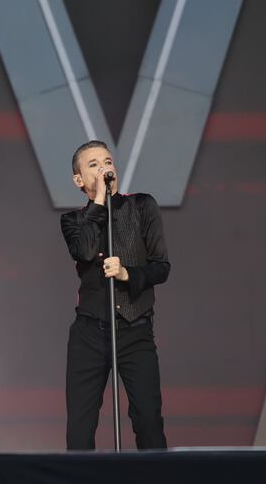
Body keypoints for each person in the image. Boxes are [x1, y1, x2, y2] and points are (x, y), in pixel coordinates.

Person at [60, 140, 169, 450]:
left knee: (148, 423)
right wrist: (98, 200)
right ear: (78, 180)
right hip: (90, 334)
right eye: (93, 165)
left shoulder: (142, 206)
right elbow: (84, 251)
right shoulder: (72, 221)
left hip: (135, 330)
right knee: (80, 432)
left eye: (108, 162)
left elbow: (161, 267)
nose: (104, 168)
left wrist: (127, 274)